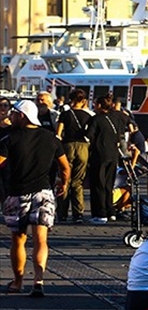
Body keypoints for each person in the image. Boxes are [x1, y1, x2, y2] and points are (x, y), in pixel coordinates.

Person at [1, 100, 69, 297]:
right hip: (44, 192)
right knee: (41, 240)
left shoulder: (9, 138)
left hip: (17, 193)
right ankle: (38, 281)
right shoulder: (51, 138)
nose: (10, 116)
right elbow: (65, 166)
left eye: (13, 113)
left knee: (18, 240)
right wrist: (63, 183)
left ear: (22, 115)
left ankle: (18, 281)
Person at [84, 94, 131, 224]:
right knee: (109, 184)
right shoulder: (116, 118)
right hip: (113, 154)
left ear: (99, 105)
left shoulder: (96, 119)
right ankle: (111, 211)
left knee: (98, 184)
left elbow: (88, 136)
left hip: (99, 154)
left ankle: (100, 214)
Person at [55, 89, 91, 224]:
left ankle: (62, 213)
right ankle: (78, 214)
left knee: (65, 179)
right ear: (83, 101)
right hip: (83, 147)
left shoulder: (65, 114)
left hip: (67, 146)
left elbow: (58, 133)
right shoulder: (88, 116)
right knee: (78, 181)